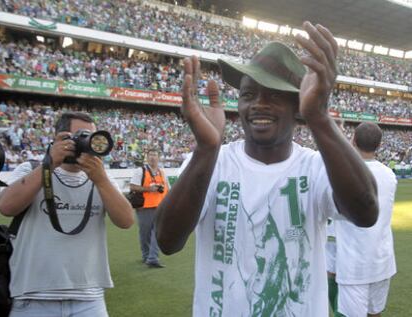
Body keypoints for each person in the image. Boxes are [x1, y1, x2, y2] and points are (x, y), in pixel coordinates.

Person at [155, 21, 378, 316]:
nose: (258, 104)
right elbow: (167, 242)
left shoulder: (315, 167)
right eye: (248, 95)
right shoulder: (211, 161)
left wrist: (319, 117)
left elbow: (366, 213)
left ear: (298, 106)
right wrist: (205, 149)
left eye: (273, 95)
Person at [0, 111, 134, 317]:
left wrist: (101, 180)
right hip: (33, 297)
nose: (87, 142)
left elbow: (126, 221)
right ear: (59, 138)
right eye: (81, 135)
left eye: (92, 136)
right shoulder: (31, 168)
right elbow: (7, 207)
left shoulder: (100, 178)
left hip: (89, 297)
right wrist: (50, 163)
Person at [335, 122, 397, 317]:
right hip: (382, 260)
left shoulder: (343, 174)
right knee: (375, 314)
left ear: (353, 140)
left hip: (355, 264)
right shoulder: (389, 174)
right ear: (378, 146)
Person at [129, 148, 168, 268]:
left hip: (160, 206)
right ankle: (146, 256)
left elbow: (167, 188)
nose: (152, 157)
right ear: (147, 157)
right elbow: (133, 187)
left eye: (155, 155)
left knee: (157, 233)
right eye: (150, 155)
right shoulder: (140, 171)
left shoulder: (162, 172)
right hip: (145, 207)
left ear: (159, 157)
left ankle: (153, 258)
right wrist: (149, 189)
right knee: (145, 234)